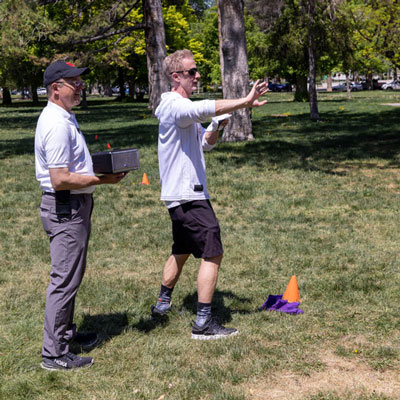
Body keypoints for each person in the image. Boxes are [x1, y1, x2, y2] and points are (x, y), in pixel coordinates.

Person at [151, 49, 268, 340]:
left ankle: (162, 304)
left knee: (181, 249)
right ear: (176, 77)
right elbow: (201, 108)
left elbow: (205, 143)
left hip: (182, 194)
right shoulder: (173, 105)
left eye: (196, 70)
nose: (197, 76)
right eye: (192, 72)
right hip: (188, 195)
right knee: (213, 250)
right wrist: (244, 101)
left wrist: (216, 127)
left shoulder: (181, 108)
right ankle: (203, 322)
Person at [35, 60, 127, 370]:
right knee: (64, 281)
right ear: (55, 89)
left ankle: (65, 334)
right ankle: (54, 354)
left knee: (71, 277)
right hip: (66, 207)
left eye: (80, 81)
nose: (80, 87)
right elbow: (60, 178)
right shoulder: (57, 123)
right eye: (73, 82)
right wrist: (103, 179)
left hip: (73, 206)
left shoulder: (63, 116)